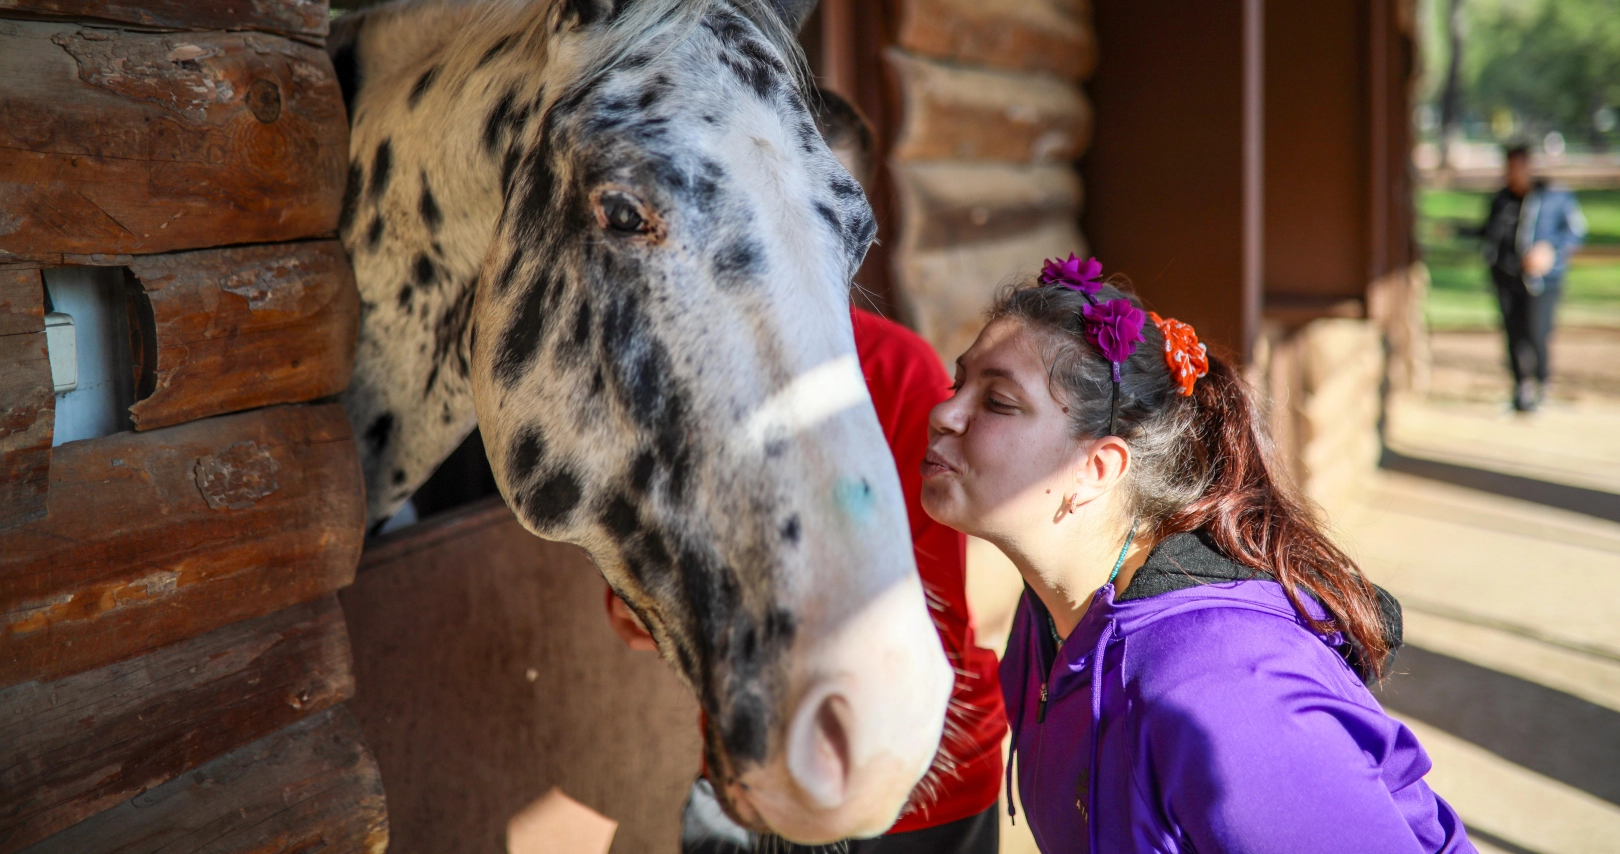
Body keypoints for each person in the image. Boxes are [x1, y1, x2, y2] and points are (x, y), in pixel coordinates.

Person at [919, 254, 1477, 853]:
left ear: (1097, 468)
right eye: (959, 384)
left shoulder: (1225, 689)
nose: (942, 413)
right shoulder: (1049, 621)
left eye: (998, 402)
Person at [606, 87, 1007, 853]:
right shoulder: (689, 371)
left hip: (919, 769)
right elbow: (636, 611)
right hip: (755, 759)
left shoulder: (897, 368)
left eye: (829, 215)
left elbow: (928, 610)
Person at [1473, 145, 1586, 411]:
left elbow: (1575, 231)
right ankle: (1520, 388)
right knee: (1513, 333)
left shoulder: (1553, 197)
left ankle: (1542, 385)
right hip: (1505, 276)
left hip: (1541, 280)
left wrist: (1550, 250)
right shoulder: (1501, 199)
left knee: (1537, 332)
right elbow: (1488, 232)